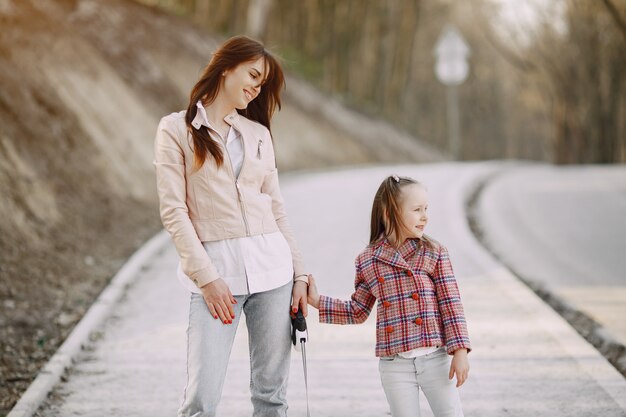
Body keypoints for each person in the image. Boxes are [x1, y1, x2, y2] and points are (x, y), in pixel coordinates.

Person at [153, 35, 309, 417]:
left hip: (274, 275)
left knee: (271, 397)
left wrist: (300, 274)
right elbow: (174, 212)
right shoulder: (177, 130)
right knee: (200, 400)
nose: (256, 88)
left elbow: (277, 209)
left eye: (262, 84)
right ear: (225, 67)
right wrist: (206, 279)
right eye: (252, 75)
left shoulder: (258, 134)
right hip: (216, 280)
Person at [307, 175, 471, 417]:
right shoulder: (369, 259)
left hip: (436, 360)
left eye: (426, 209)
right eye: (417, 210)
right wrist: (317, 302)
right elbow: (357, 310)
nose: (425, 216)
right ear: (388, 212)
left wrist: (460, 351)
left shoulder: (434, 252)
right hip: (396, 365)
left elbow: (451, 304)